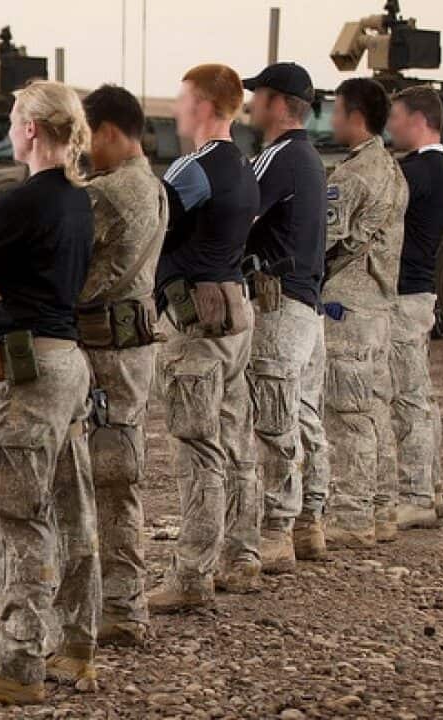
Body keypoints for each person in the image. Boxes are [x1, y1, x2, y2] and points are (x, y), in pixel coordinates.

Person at [0, 80, 98, 705]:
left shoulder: (20, 203)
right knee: (70, 508)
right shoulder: (79, 202)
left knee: (14, 518)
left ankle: (15, 664)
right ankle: (75, 647)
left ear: (32, 129)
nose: (7, 130)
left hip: (22, 374)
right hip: (66, 363)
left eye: (12, 119)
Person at [147, 64, 261, 612]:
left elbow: (153, 227)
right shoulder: (242, 163)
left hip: (195, 325)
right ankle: (241, 555)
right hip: (234, 315)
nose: (176, 107)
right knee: (236, 443)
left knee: (197, 450)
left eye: (183, 97)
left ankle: (190, 575)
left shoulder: (195, 168)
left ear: (205, 107)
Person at [76, 84, 167, 647]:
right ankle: (122, 600)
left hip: (104, 350)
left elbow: (69, 267)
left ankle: (119, 605)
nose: (85, 150)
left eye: (88, 137)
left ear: (108, 130)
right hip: (129, 349)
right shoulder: (153, 185)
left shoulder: (108, 194)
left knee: (106, 477)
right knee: (120, 471)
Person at [241, 63, 330, 572]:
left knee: (275, 420)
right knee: (304, 416)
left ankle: (276, 530)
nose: (251, 104)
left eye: (258, 96)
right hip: (308, 307)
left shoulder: (276, 158)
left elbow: (238, 218)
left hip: (276, 305)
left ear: (278, 104)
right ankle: (309, 522)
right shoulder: (312, 159)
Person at [321, 78, 408, 548]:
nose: (332, 121)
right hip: (378, 306)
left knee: (348, 415)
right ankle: (382, 509)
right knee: (375, 411)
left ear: (355, 116)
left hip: (347, 308)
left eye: (336, 111)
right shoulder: (392, 170)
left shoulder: (351, 176)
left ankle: (353, 518)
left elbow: (325, 241)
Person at [386, 85, 443, 530]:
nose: (391, 124)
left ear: (420, 120)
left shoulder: (421, 171)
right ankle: (431, 486)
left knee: (407, 398)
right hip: (416, 293)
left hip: (406, 294)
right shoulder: (434, 167)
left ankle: (417, 497)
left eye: (396, 116)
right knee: (419, 395)